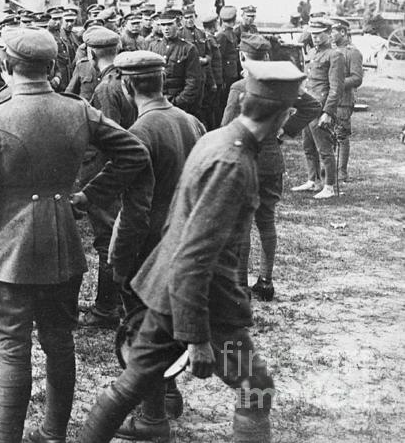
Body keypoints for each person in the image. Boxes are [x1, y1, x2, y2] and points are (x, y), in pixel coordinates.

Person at [79, 60, 307, 443]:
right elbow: (195, 252)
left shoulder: (219, 140)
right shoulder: (232, 161)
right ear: (283, 113)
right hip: (205, 302)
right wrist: (197, 336)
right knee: (257, 386)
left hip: (168, 291)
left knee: (134, 381)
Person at [0, 27, 152, 443]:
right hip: (62, 243)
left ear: (7, 65)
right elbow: (134, 152)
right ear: (51, 66)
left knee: (13, 349)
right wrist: (86, 196)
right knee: (59, 341)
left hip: (7, 251)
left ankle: (6, 437)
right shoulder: (77, 109)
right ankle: (53, 433)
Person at [105, 50, 206, 438]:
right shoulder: (191, 121)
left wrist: (119, 256)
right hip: (181, 240)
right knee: (162, 327)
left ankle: (152, 418)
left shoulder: (140, 132)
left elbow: (135, 207)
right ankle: (168, 396)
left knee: (140, 333)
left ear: (128, 85)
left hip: (148, 246)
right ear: (162, 82)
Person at [222, 35, 321, 303]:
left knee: (241, 224)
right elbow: (313, 105)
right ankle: (266, 281)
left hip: (245, 163)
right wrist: (283, 131)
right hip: (271, 163)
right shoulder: (281, 84)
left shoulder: (240, 86)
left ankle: (240, 284)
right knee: (266, 222)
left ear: (243, 58)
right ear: (266, 58)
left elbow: (226, 128)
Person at [77, 26, 137, 330]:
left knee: (107, 240)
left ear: (90, 53)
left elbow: (111, 136)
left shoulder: (105, 89)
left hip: (104, 169)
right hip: (116, 168)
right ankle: (121, 304)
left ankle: (106, 308)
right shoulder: (122, 80)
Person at [291, 18, 345, 199]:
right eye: (313, 34)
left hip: (320, 108)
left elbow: (336, 87)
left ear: (328, 34)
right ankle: (313, 181)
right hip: (308, 106)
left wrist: (328, 112)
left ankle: (329, 186)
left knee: (324, 148)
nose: (314, 37)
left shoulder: (334, 55)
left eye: (319, 34)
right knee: (307, 145)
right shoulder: (314, 52)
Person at [147, 9, 203, 117]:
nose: (166, 28)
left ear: (177, 25)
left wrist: (178, 102)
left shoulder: (188, 48)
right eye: (163, 25)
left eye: (169, 24)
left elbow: (193, 81)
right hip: (156, 104)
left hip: (179, 106)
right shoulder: (153, 46)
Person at [330, 18, 363, 183]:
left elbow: (357, 78)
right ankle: (329, 170)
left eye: (333, 31)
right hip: (329, 100)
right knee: (328, 135)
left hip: (343, 101)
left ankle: (341, 172)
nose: (330, 35)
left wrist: (337, 83)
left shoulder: (352, 52)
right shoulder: (331, 50)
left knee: (341, 136)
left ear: (343, 32)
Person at [215, 6, 241, 117]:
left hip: (232, 74)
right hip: (226, 77)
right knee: (224, 104)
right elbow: (218, 59)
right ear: (234, 18)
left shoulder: (232, 33)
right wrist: (221, 80)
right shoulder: (222, 35)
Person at [201, 12, 224, 130]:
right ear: (211, 26)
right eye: (216, 23)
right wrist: (213, 82)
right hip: (213, 81)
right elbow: (208, 64)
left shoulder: (212, 38)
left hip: (218, 79)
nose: (217, 25)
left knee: (215, 107)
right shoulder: (208, 40)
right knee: (211, 109)